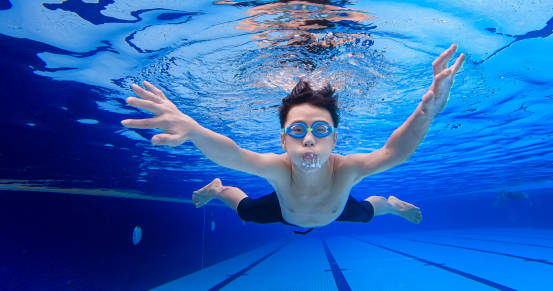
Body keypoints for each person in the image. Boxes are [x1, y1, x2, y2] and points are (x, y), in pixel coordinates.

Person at [121, 44, 465, 231]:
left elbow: (394, 152)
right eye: (298, 130)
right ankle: (216, 189)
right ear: (284, 140)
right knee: (244, 210)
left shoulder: (346, 169)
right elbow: (234, 155)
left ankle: (391, 204)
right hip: (285, 211)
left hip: (336, 210)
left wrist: (426, 110)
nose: (309, 140)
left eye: (320, 130)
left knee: (367, 211)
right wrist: (194, 130)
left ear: (334, 140)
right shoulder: (279, 168)